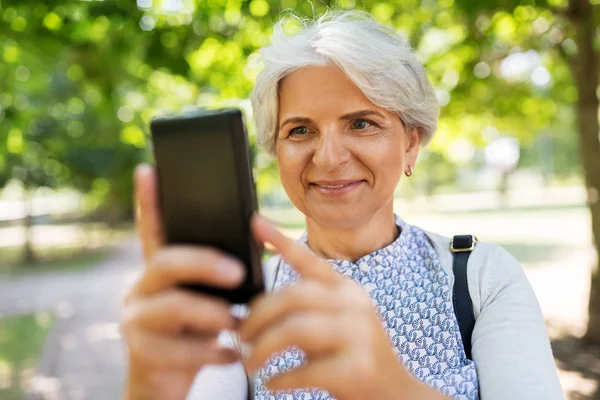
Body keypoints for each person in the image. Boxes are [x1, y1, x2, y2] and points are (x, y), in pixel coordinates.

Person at [121, 10, 565, 400]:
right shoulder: (240, 303)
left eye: (361, 123)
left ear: (411, 145)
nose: (329, 157)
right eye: (299, 130)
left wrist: (391, 390)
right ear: (275, 150)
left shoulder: (483, 277)